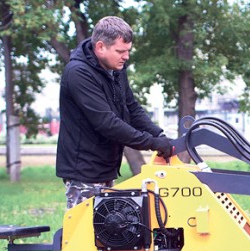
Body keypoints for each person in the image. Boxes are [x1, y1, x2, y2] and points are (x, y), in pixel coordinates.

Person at [56, 16, 173, 209]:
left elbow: (131, 107)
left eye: (128, 51)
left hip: (106, 167)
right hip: (84, 171)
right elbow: (106, 123)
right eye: (120, 51)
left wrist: (158, 134)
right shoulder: (78, 73)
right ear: (100, 47)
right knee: (84, 234)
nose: (126, 56)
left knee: (109, 234)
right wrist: (152, 143)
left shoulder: (115, 68)